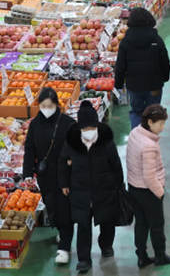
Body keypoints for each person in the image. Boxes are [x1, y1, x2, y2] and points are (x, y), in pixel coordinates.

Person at [58, 101, 124, 274]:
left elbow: (116, 164)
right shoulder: (72, 142)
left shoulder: (106, 141)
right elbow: (63, 163)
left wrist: (119, 184)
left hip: (104, 189)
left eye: (92, 127)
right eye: (86, 128)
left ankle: (106, 245)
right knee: (83, 225)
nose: (89, 131)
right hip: (80, 190)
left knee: (107, 220)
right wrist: (64, 183)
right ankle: (84, 259)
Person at [23, 87, 75, 265]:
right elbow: (29, 148)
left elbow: (77, 146)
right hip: (44, 176)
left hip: (64, 175)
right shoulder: (35, 124)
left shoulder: (67, 123)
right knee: (52, 207)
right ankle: (61, 231)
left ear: (56, 105)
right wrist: (28, 173)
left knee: (65, 210)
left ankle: (64, 247)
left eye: (49, 106)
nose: (46, 109)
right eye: (43, 106)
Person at [126, 105, 170, 268]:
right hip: (148, 191)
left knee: (141, 224)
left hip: (134, 187)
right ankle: (160, 256)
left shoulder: (135, 133)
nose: (162, 127)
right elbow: (149, 177)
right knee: (157, 226)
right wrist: (160, 192)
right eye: (160, 123)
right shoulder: (149, 145)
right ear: (150, 122)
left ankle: (141, 257)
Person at [114, 7, 170, 129]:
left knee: (137, 112)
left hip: (135, 86)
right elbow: (165, 61)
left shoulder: (125, 42)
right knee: (154, 113)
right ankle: (151, 137)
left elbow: (120, 65)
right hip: (154, 85)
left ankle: (137, 137)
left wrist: (118, 84)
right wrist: (165, 77)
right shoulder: (156, 39)